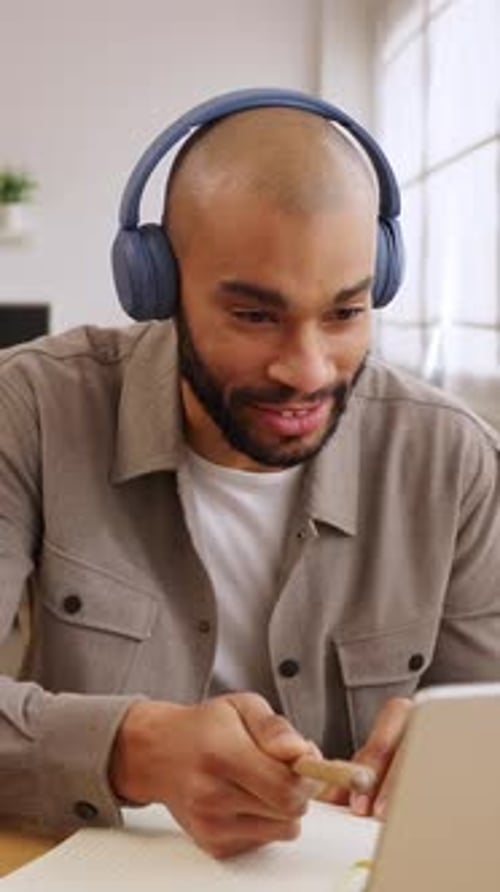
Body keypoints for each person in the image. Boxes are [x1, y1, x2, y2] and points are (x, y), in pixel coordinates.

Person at [0, 89, 499, 861]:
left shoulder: (451, 456)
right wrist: (131, 749)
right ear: (158, 289)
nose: (306, 371)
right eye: (255, 316)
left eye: (344, 314)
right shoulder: (30, 408)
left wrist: (453, 758)